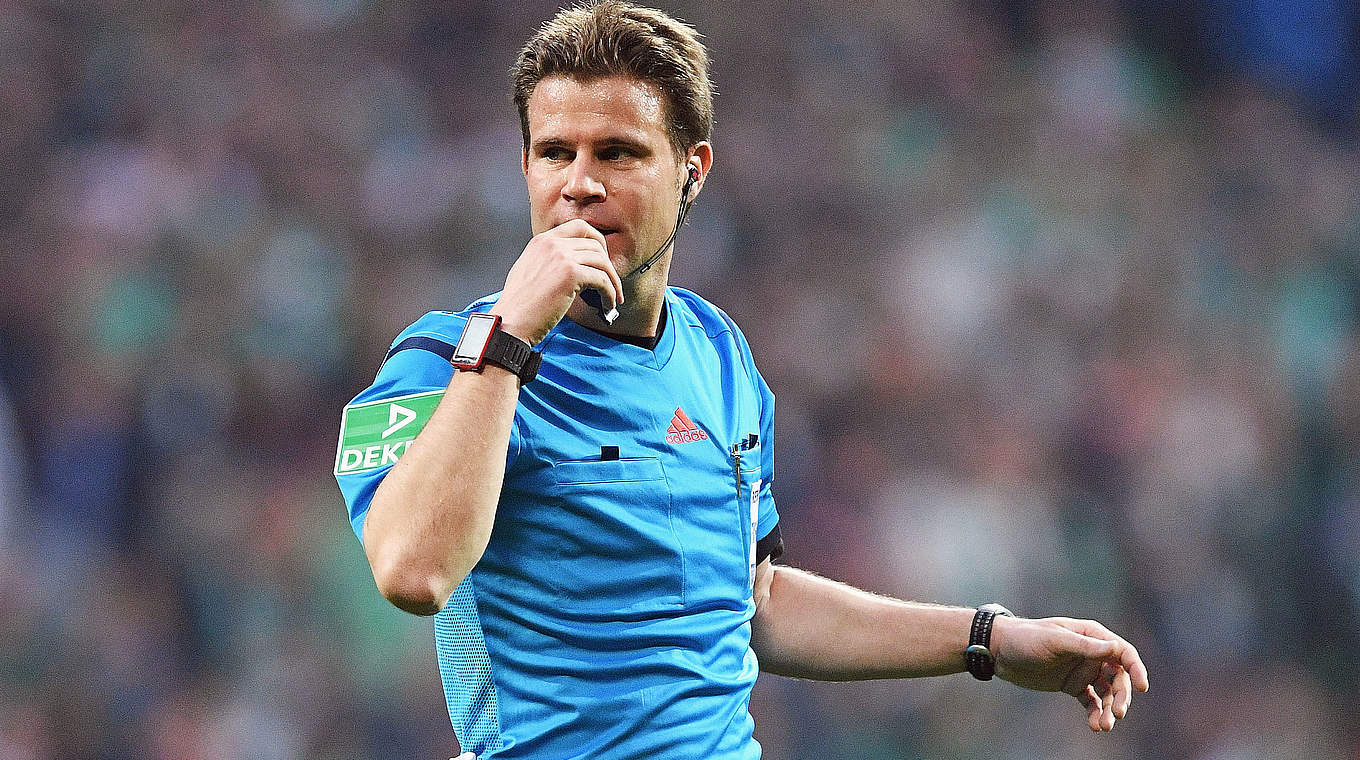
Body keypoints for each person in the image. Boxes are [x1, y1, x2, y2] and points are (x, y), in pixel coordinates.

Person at [334, 2, 1149, 758]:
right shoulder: (445, 359)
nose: (579, 182)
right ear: (524, 167)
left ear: (692, 170)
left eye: (617, 152)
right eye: (555, 153)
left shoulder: (718, 352)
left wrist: (989, 639)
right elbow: (412, 571)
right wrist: (509, 339)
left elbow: (753, 601)